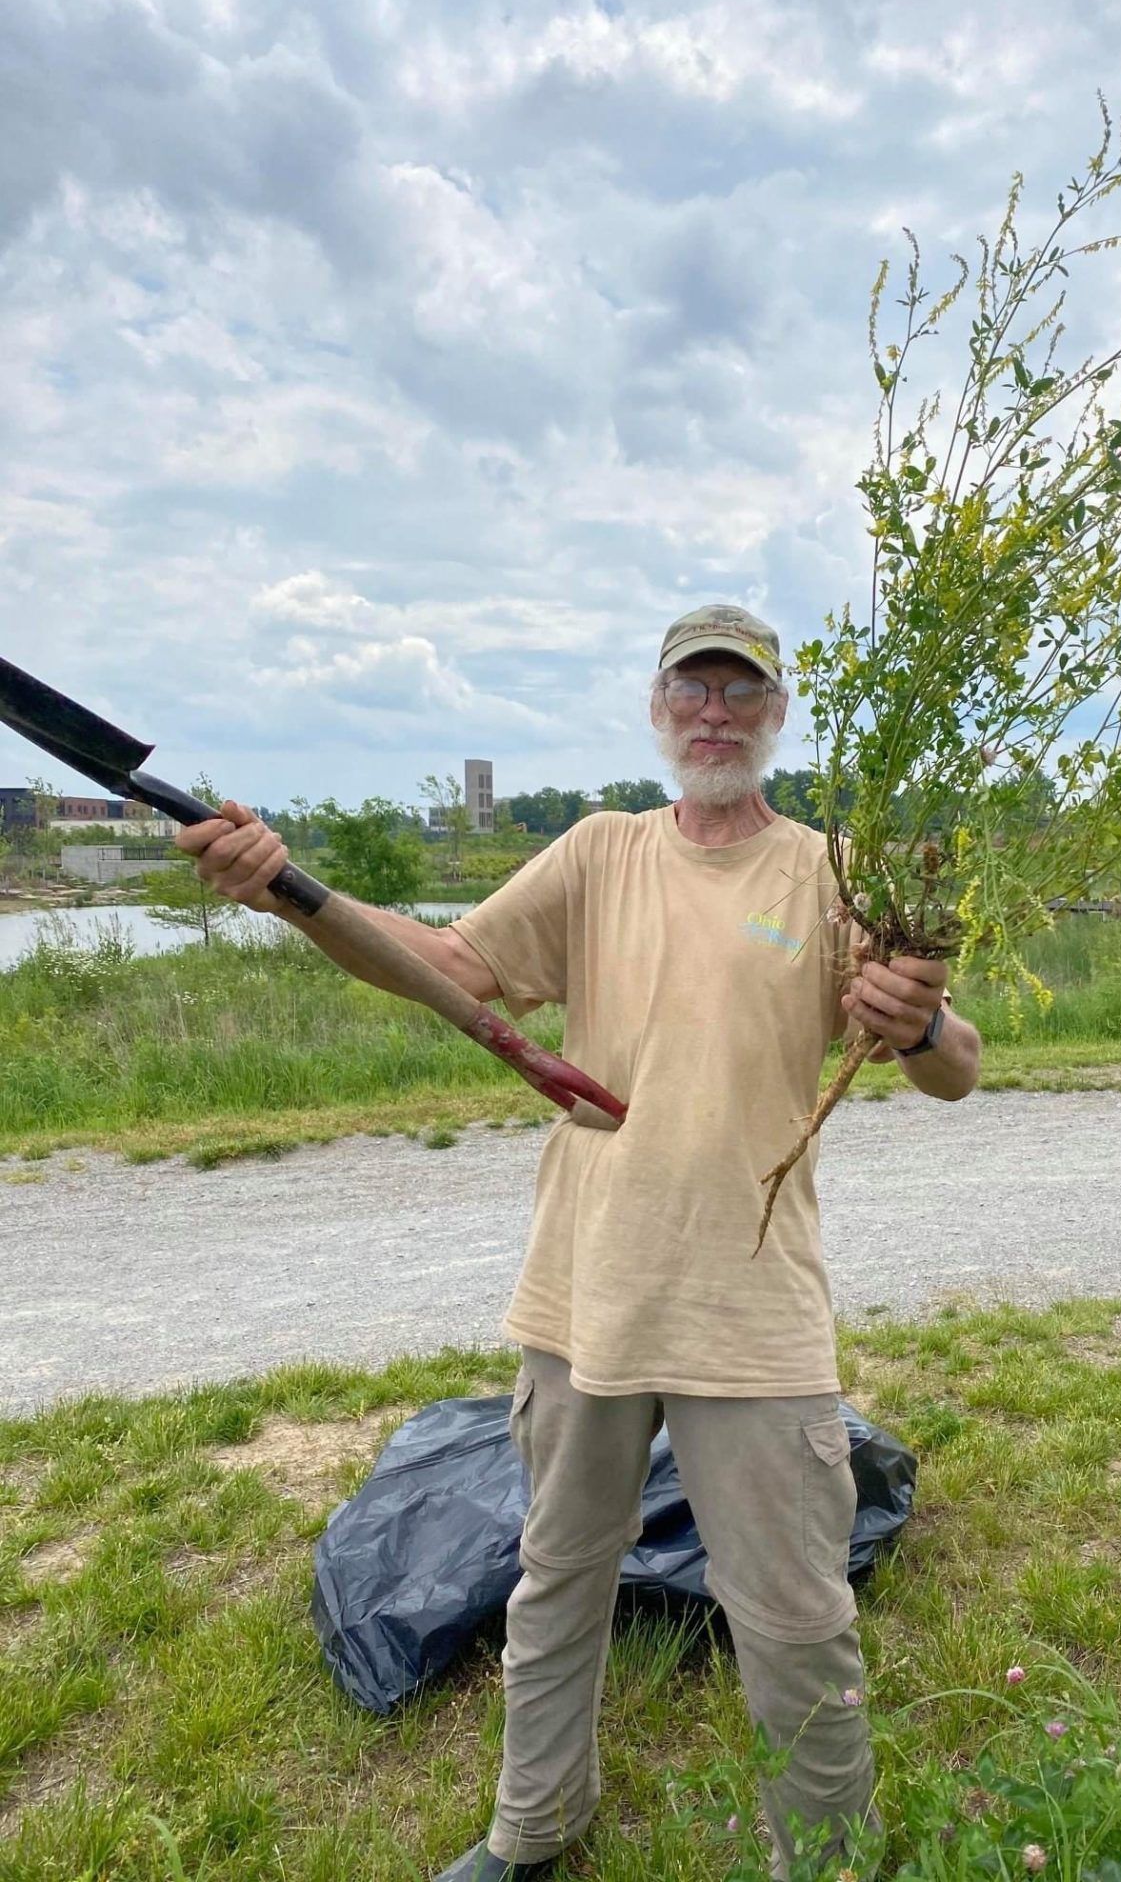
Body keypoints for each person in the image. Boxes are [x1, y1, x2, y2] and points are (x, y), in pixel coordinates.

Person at [179, 604, 981, 1882]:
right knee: (553, 1583)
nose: (715, 711)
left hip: (753, 1307)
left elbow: (958, 1065)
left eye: (741, 690)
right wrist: (289, 891)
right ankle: (532, 1832)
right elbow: (446, 962)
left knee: (795, 1620)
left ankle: (826, 1861)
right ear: (657, 709)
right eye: (692, 688)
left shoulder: (828, 878)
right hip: (584, 1292)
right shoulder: (600, 853)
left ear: (777, 714)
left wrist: (920, 1023)